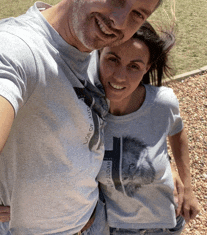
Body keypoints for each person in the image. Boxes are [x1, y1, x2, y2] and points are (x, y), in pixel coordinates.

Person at [0, 0, 179, 234]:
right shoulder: (15, 48)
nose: (118, 21)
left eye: (138, 14)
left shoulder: (95, 53)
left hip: (94, 222)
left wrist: (167, 169)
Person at [85, 21, 200, 234]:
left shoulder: (162, 103)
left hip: (167, 221)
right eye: (113, 59)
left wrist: (188, 189)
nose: (120, 76)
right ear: (99, 54)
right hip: (118, 227)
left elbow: (177, 131)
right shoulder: (84, 111)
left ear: (147, 68)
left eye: (134, 66)